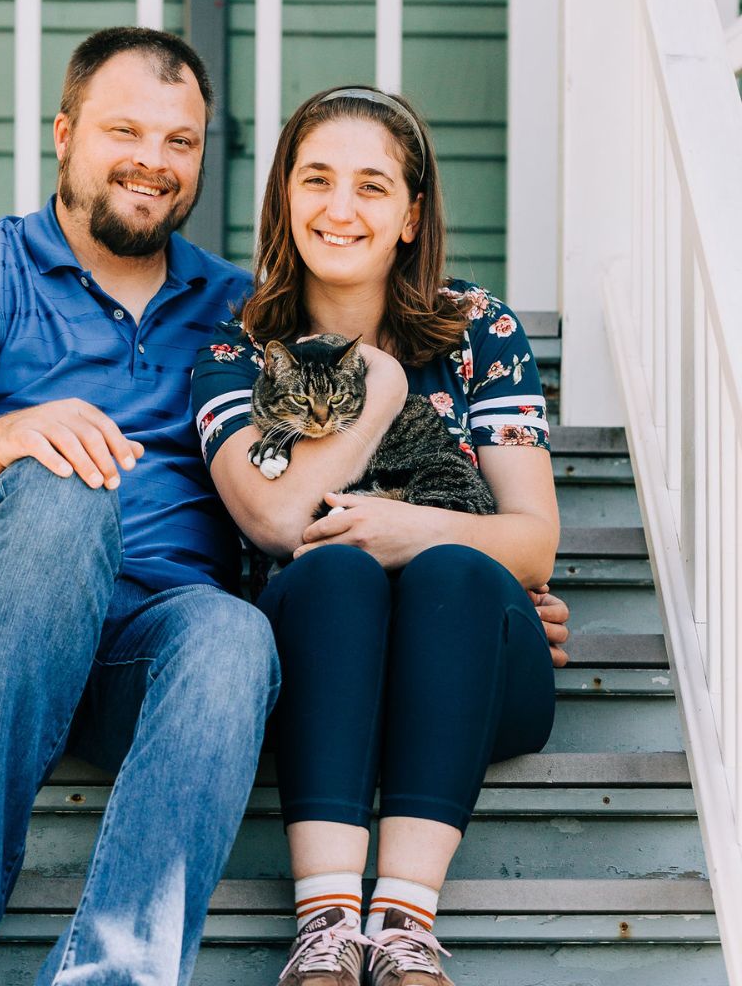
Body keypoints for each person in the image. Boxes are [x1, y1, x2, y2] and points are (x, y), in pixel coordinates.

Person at [0, 27, 281, 986]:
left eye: (181, 142)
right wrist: (10, 437)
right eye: (127, 131)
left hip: (149, 660)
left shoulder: (242, 311)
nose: (154, 164)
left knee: (233, 633)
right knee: (60, 491)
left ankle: (114, 975)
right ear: (65, 133)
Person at [191, 86, 571, 986]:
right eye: (317, 180)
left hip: (474, 659)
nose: (340, 208)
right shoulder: (238, 345)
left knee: (459, 572)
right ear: (286, 196)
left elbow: (534, 544)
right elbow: (274, 520)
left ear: (411, 214)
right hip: (322, 671)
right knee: (329, 578)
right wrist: (382, 392)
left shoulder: (481, 328)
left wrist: (409, 527)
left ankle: (403, 927)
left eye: (371, 186)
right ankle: (325, 924)